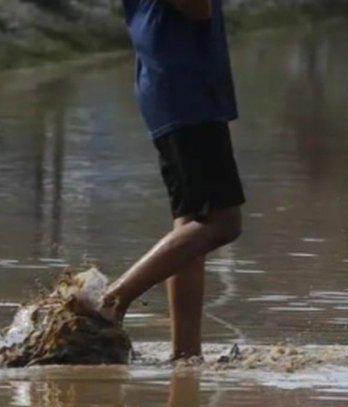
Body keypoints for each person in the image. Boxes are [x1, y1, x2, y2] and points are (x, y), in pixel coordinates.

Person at [97, 0, 246, 361]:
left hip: (172, 86)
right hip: (187, 89)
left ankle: (186, 355)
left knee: (191, 224)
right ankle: (110, 302)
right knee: (222, 223)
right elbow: (197, 7)